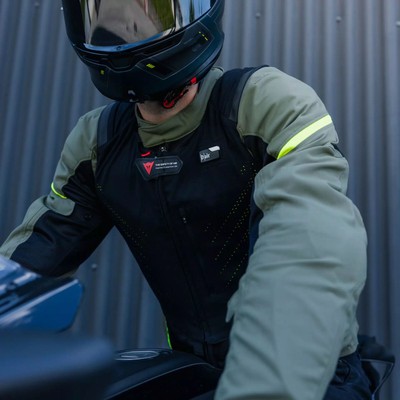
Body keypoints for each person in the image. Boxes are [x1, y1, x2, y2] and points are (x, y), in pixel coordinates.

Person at [0, 0, 371, 398]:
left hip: (307, 371)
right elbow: (33, 256)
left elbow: (307, 246)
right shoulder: (97, 141)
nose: (122, 35)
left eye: (147, 16)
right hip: (194, 370)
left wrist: (263, 387)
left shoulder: (264, 103)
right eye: (103, 20)